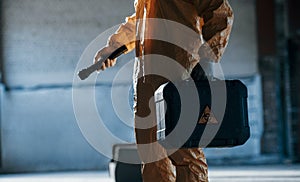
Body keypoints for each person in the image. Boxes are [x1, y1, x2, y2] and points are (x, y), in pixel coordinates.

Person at [94, 0, 234, 181]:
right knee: (151, 155)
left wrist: (208, 58)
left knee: (185, 153)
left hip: (179, 75)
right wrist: (112, 48)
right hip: (147, 81)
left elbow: (221, 13)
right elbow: (139, 22)